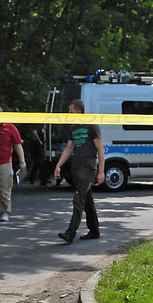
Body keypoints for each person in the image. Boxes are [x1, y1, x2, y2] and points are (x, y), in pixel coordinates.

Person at [53, 99, 105, 243]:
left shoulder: (92, 125)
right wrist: (58, 165)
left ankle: (70, 233)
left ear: (79, 111)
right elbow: (68, 148)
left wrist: (101, 171)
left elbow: (100, 149)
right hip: (76, 167)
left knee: (78, 200)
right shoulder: (73, 128)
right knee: (87, 201)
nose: (69, 114)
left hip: (88, 168)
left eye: (71, 111)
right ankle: (94, 231)